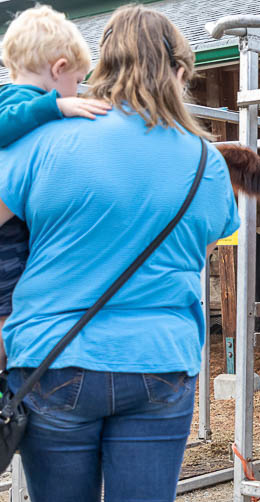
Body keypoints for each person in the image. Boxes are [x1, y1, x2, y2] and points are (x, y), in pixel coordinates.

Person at [0, 5, 239, 502]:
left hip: (53, 361)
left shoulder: (44, 140)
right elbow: (213, 237)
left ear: (100, 64)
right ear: (181, 71)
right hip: (161, 363)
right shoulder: (204, 161)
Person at [0, 5, 110, 369]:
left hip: (18, 224)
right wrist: (57, 106)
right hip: (7, 236)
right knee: (7, 306)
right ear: (58, 69)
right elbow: (7, 124)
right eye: (78, 81)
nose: (77, 91)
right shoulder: (17, 101)